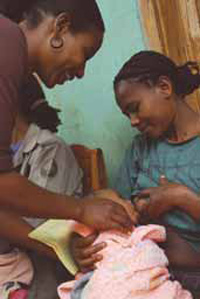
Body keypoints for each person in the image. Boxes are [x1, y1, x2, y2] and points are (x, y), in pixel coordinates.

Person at [70, 51, 200, 298]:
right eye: (127, 114)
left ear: (164, 87)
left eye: (135, 108)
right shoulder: (141, 149)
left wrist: (181, 197)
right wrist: (84, 247)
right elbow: (114, 207)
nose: (132, 121)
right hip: (143, 270)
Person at [0, 0, 133, 238]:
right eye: (85, 53)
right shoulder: (7, 41)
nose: (81, 72)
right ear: (60, 27)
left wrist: (58, 250)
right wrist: (81, 209)